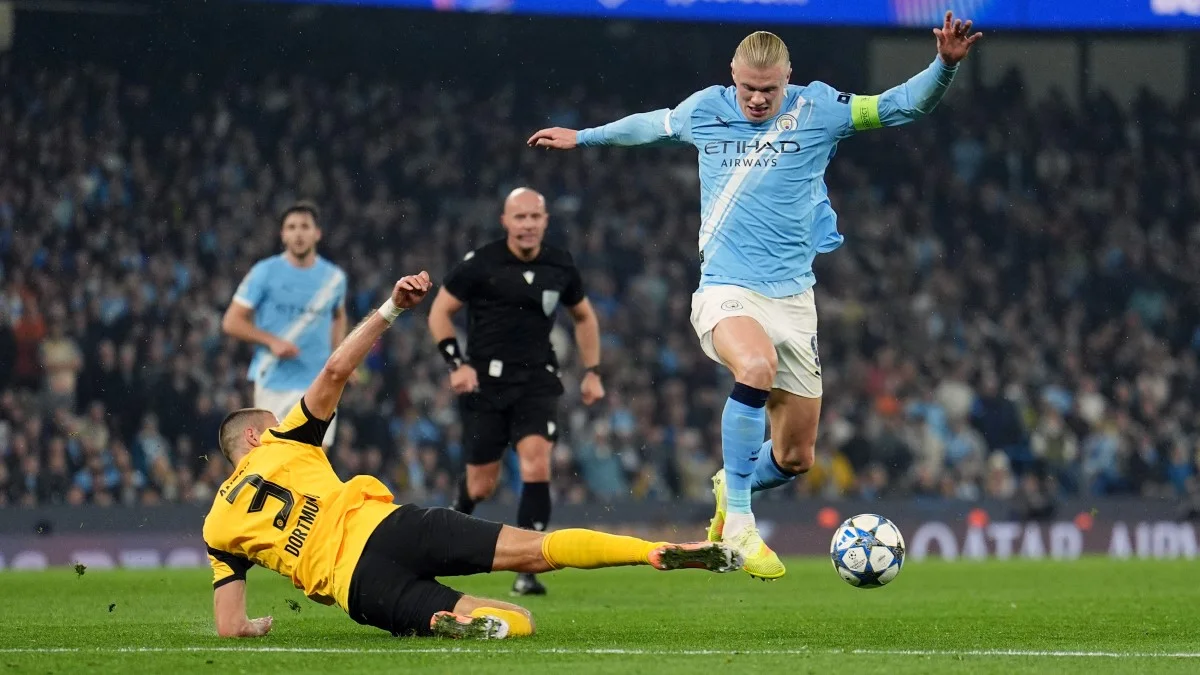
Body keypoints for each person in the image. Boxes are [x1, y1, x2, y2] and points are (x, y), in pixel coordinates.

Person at [528, 12, 982, 580]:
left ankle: (731, 482)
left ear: (788, 77)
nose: (758, 99)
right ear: (732, 76)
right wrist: (584, 136)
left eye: (769, 89)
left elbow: (899, 106)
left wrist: (943, 67)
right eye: (748, 88)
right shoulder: (705, 109)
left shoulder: (821, 108)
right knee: (756, 366)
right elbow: (652, 124)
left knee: (795, 457)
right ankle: (740, 522)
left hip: (794, 301)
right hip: (726, 289)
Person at [204, 272, 742, 641]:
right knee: (538, 549)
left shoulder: (217, 529)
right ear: (254, 436)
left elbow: (229, 626)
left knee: (517, 621)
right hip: (395, 527)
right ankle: (652, 551)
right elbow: (335, 370)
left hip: (360, 587)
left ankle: (448, 621)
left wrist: (252, 626)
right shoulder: (285, 440)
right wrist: (392, 308)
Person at [427, 187, 605, 597]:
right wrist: (456, 364)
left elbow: (584, 317)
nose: (527, 224)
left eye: (534, 217)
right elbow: (440, 312)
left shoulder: (560, 264)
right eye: (519, 217)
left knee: (536, 463)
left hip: (537, 380)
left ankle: (528, 567)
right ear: (504, 221)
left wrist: (592, 371)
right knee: (481, 487)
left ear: (545, 221)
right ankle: (450, 528)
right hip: (485, 383)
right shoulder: (481, 262)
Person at [222, 201, 348, 448]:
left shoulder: (334, 279)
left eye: (305, 226)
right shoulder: (264, 272)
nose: (298, 233)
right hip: (275, 381)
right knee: (274, 457)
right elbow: (231, 321)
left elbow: (338, 316)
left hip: (318, 382)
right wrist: (271, 341)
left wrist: (339, 354)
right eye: (291, 227)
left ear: (317, 233)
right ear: (283, 235)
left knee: (315, 459)